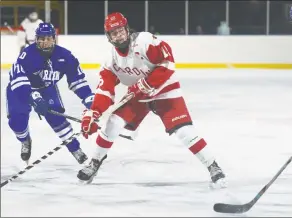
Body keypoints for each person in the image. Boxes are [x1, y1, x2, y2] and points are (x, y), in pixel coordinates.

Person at [77, 12, 226, 187]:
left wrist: (147, 83)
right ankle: (95, 162)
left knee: (184, 131)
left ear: (127, 29)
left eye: (121, 30)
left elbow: (167, 62)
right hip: (138, 96)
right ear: (108, 37)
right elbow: (104, 91)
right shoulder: (111, 60)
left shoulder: (144, 41)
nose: (119, 35)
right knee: (113, 122)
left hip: (165, 90)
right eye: (114, 33)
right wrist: (93, 113)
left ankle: (213, 166)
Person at [6, 22, 95, 164]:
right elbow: (17, 79)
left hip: (46, 89)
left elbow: (77, 80)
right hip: (21, 89)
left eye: (48, 38)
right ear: (36, 39)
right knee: (17, 122)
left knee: (58, 119)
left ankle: (75, 149)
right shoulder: (27, 55)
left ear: (54, 38)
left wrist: (88, 98)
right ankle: (25, 140)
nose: (44, 42)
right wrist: (33, 96)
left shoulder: (66, 56)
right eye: (41, 38)